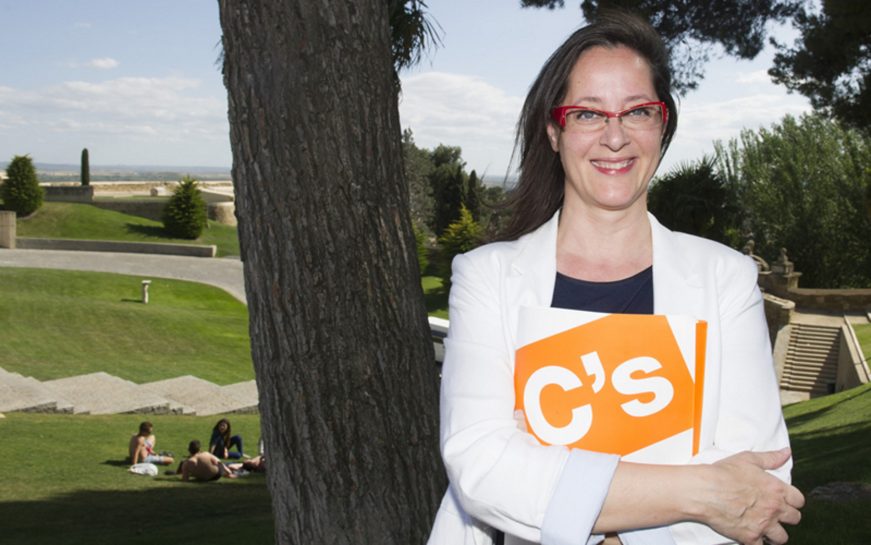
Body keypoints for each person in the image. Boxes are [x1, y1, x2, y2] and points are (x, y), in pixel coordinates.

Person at [427, 10, 803, 545]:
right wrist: (701, 490)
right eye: (587, 114)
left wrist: (551, 474)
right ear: (554, 131)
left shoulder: (726, 279)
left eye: (638, 111)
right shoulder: (487, 277)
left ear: (662, 125)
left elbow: (760, 478)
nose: (615, 137)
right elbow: (484, 468)